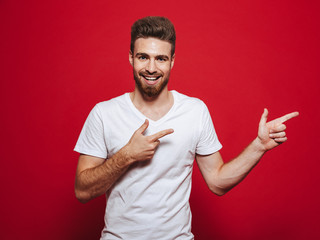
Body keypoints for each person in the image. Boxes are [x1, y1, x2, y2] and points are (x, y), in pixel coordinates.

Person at [74, 16, 299, 240]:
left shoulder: (194, 111)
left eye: (161, 59)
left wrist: (258, 146)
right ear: (131, 58)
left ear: (172, 61)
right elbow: (82, 191)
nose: (151, 68)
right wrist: (126, 155)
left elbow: (218, 182)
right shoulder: (104, 113)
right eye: (143, 57)